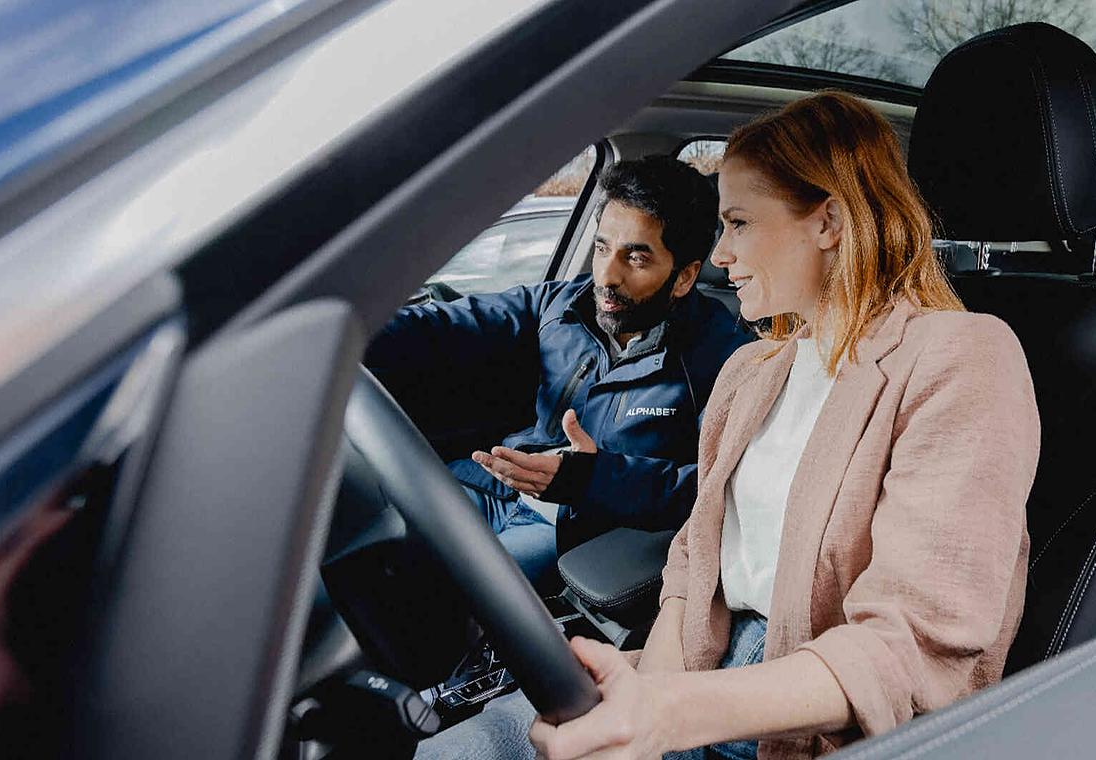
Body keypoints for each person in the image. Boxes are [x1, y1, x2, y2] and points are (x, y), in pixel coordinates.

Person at [417, 91, 1039, 760]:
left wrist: (667, 716)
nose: (718, 256)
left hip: (817, 716)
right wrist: (647, 697)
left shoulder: (962, 354)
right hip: (701, 674)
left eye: (738, 223)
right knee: (461, 750)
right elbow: (691, 567)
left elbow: (914, 639)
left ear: (828, 220)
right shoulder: (751, 372)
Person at [364, 156, 754, 589]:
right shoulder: (563, 304)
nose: (607, 276)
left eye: (636, 259)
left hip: (580, 531)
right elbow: (447, 325)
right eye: (603, 248)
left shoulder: (724, 359)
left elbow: (714, 489)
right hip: (496, 487)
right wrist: (350, 332)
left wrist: (591, 479)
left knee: (439, 591)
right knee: (360, 528)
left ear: (684, 277)